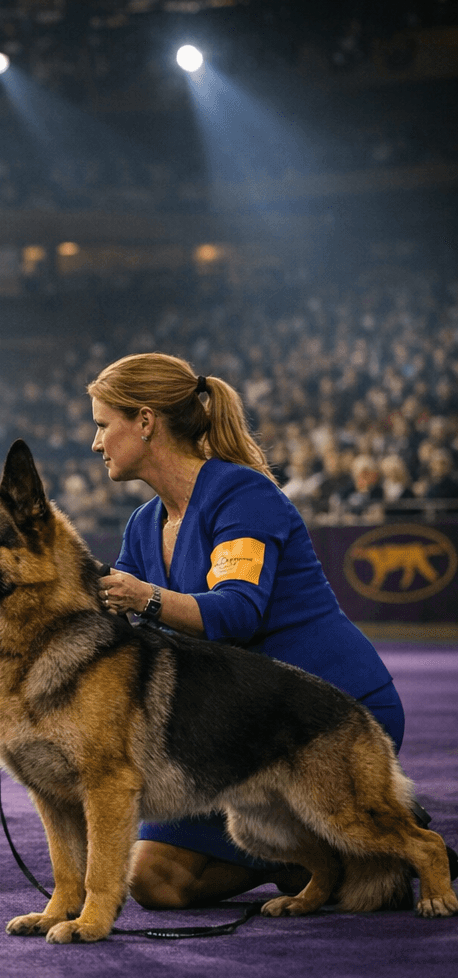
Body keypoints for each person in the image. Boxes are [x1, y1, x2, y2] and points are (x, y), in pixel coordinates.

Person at [88, 352, 407, 909]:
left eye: (101, 425)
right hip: (233, 732)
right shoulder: (143, 524)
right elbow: (109, 613)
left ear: (144, 421)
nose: (96, 444)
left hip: (326, 717)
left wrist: (146, 597)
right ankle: (315, 863)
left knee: (366, 884)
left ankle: (352, 845)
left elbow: (238, 612)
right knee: (154, 884)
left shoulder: (243, 494)